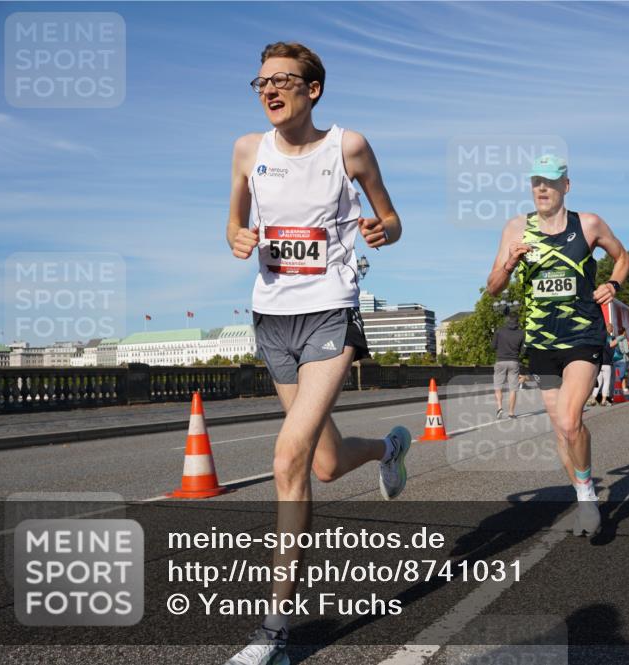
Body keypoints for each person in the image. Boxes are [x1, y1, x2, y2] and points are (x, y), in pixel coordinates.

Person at [225, 42, 410, 665]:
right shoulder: (247, 150)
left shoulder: (348, 147)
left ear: (313, 89)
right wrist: (238, 237)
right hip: (271, 318)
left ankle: (274, 635)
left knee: (288, 458)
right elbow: (233, 224)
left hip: (331, 310)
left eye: (283, 80)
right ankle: (388, 448)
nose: (270, 90)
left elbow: (391, 218)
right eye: (262, 82)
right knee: (324, 464)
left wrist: (383, 230)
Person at [487, 154, 629, 537]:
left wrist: (613, 285)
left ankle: (586, 497)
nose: (542, 188)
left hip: (582, 335)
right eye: (537, 182)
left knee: (569, 421)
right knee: (561, 430)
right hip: (541, 342)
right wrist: (510, 263)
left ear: (566, 186)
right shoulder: (516, 228)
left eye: (550, 182)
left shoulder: (589, 224)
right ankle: (584, 491)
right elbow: (493, 287)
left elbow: (622, 257)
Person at [492, 309, 525, 419]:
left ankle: (499, 408)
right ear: (517, 321)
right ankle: (511, 413)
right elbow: (523, 350)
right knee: (513, 388)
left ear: (508, 320)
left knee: (498, 386)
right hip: (514, 362)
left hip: (500, 361)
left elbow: (493, 346)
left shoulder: (499, 331)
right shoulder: (521, 333)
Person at [588, 322, 615, 407]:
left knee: (599, 382)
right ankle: (603, 401)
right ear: (610, 329)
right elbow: (611, 349)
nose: (612, 329)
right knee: (606, 382)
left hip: (599, 363)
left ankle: (593, 399)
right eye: (612, 328)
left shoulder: (599, 337)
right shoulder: (611, 338)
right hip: (607, 363)